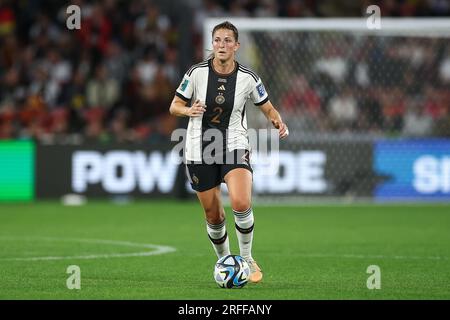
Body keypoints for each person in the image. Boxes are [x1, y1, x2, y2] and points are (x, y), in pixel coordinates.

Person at [169, 21, 289, 284]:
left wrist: (277, 121)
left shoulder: (248, 77)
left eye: (227, 40)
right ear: (212, 44)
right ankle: (224, 260)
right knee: (213, 215)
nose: (221, 45)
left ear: (236, 46)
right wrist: (188, 110)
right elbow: (174, 105)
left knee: (241, 202)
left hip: (234, 143)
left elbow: (267, 107)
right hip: (198, 147)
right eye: (217, 40)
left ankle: (246, 258)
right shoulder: (196, 73)